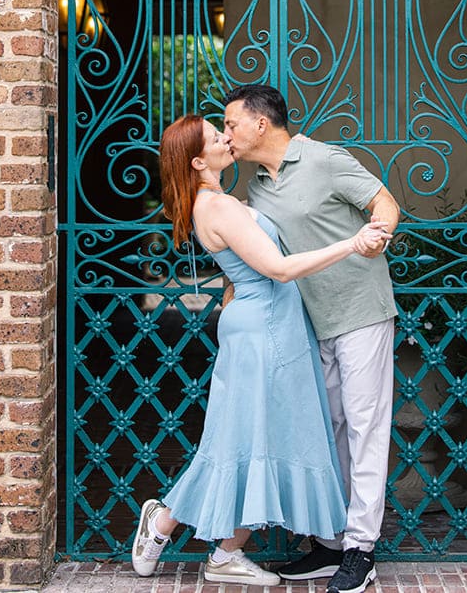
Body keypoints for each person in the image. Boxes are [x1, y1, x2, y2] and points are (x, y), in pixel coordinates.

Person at [131, 115, 389, 585]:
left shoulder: (220, 202)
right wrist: (351, 243)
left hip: (268, 327)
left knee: (255, 442)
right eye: (215, 136)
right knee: (250, 443)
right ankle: (175, 525)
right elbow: (279, 268)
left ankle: (216, 546)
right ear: (197, 160)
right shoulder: (219, 207)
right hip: (266, 330)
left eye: (225, 128)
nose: (225, 138)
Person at [223, 85, 400, 593]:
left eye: (232, 123)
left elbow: (384, 203)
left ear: (261, 123)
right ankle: (331, 542)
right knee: (330, 430)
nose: (228, 133)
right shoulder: (255, 186)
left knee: (366, 429)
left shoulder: (325, 159)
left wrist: (377, 237)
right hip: (306, 321)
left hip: (360, 309)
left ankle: (360, 551)